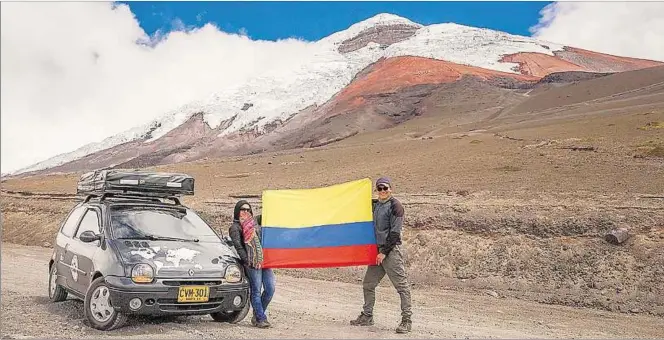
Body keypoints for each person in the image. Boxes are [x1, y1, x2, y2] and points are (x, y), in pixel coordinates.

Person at [350, 177, 412, 333]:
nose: (383, 191)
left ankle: (407, 321)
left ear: (391, 189)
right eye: (379, 188)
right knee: (368, 285)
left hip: (390, 252)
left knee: (402, 287)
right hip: (377, 252)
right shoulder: (376, 205)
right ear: (376, 190)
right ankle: (367, 316)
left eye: (385, 188)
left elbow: (395, 233)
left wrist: (383, 253)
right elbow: (357, 202)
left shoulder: (395, 206)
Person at [228, 200, 275, 328]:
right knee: (256, 290)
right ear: (237, 211)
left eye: (248, 209)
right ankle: (260, 318)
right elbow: (239, 247)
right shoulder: (235, 228)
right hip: (251, 263)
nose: (246, 212)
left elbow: (267, 217)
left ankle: (257, 314)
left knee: (270, 289)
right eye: (243, 209)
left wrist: (274, 204)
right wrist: (248, 261)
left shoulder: (254, 223)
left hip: (264, 261)